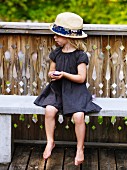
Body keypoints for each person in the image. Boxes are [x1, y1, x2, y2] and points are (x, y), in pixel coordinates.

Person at [34, 12, 102, 166]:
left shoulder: (80, 56)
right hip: (57, 90)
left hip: (76, 92)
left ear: (70, 37)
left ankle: (80, 148)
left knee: (78, 116)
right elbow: (50, 73)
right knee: (49, 111)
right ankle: (50, 141)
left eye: (58, 35)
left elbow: (81, 78)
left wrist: (64, 74)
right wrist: (52, 74)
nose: (55, 37)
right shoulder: (56, 53)